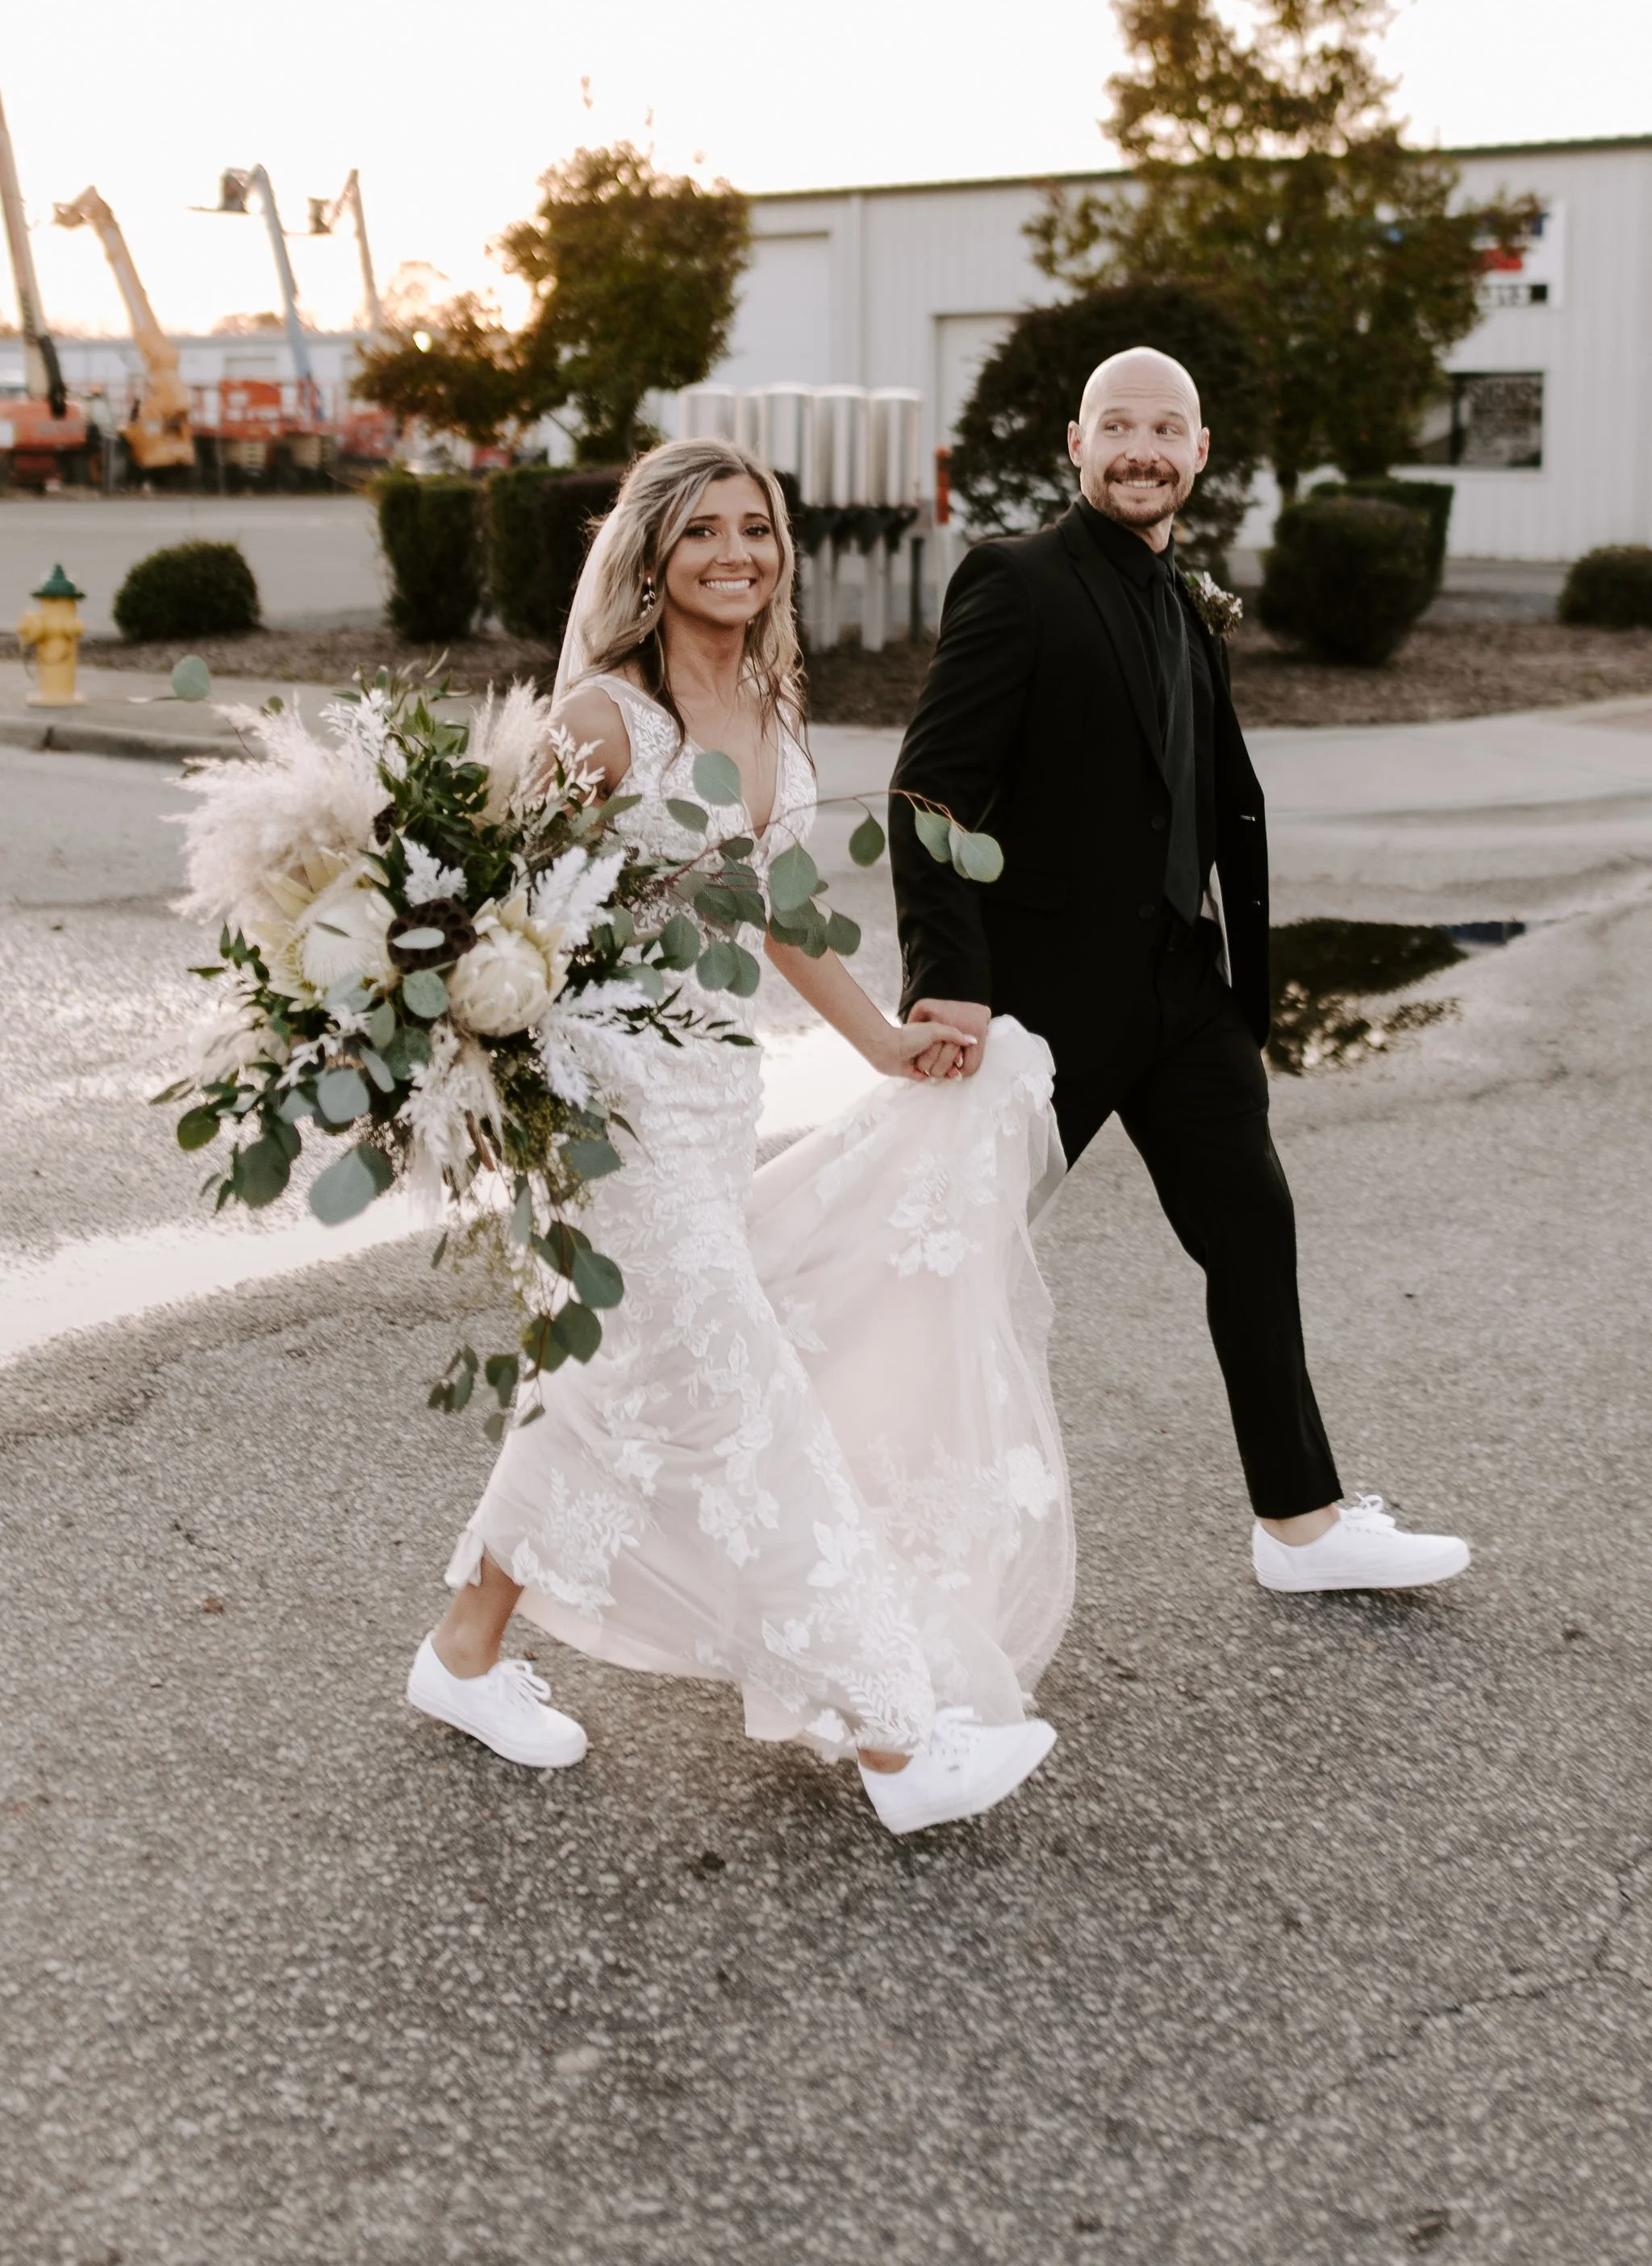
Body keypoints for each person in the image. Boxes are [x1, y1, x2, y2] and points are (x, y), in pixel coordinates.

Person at [408, 436, 1073, 1835]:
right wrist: (503, 1087)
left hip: (718, 1104)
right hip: (605, 1114)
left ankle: (460, 1658)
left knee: (606, 1392)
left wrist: (886, 1042)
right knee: (744, 1394)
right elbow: (478, 916)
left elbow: (776, 919)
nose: (735, 553)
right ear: (652, 556)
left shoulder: (772, 713)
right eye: (703, 530)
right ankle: (897, 1741)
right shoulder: (604, 724)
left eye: (756, 529)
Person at [890, 348, 1470, 1594]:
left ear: (1199, 453)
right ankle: (868, 1521)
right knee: (951, 1251)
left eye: (1166, 429)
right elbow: (930, 789)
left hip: (1181, 987)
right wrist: (950, 977)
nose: (1142, 448)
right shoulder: (1017, 581)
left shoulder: (1186, 597)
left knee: (1251, 1225)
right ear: (1076, 443)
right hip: (1040, 1001)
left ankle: (1300, 1525)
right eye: (1119, 426)